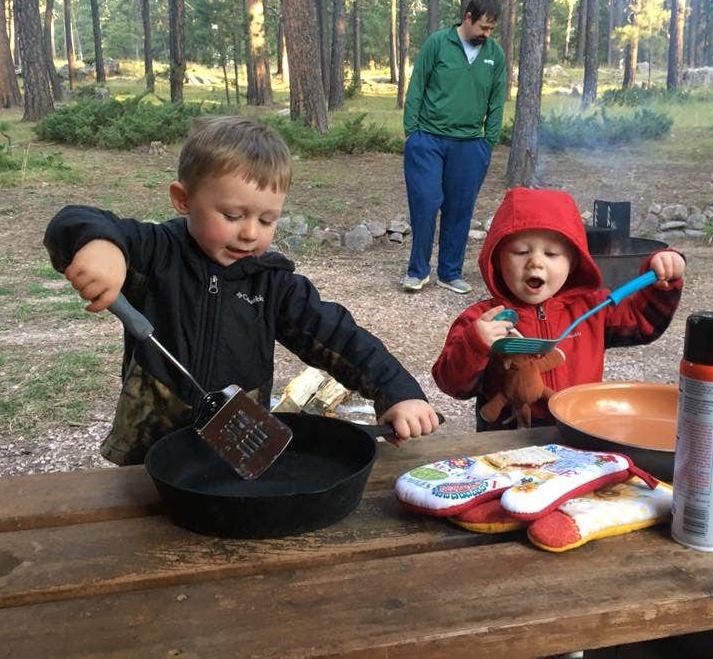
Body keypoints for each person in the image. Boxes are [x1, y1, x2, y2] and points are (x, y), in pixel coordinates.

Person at [44, 115, 440, 465]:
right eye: (232, 215)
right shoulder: (154, 252)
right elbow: (73, 219)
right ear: (183, 199)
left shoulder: (272, 282)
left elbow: (340, 337)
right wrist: (101, 246)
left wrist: (396, 390)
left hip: (235, 452)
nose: (250, 232)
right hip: (149, 451)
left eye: (267, 220)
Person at [432, 186, 686, 430]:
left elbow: (643, 323)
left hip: (578, 435)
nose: (535, 262)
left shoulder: (594, 309)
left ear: (573, 262)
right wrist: (474, 343)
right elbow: (452, 385)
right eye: (521, 251)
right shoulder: (483, 320)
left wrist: (662, 283)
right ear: (497, 259)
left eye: (552, 253)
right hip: (507, 443)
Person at [401, 0, 507, 294]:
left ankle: (449, 272)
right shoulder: (438, 43)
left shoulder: (495, 54)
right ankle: (417, 271)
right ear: (468, 17)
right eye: (483, 27)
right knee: (426, 202)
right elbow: (417, 86)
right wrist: (412, 133)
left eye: (491, 29)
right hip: (428, 140)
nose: (486, 34)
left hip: (470, 145)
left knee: (460, 208)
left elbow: (497, 100)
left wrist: (488, 142)